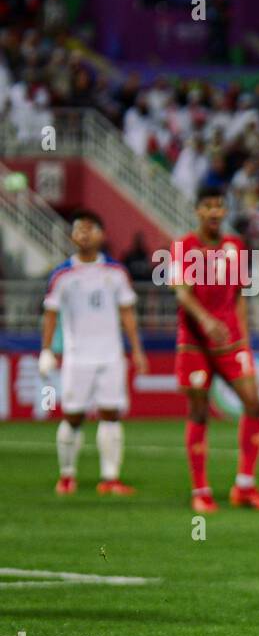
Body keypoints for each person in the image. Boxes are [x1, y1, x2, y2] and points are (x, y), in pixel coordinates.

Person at [170, 185, 259, 513]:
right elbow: (182, 293)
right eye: (208, 206)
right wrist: (206, 321)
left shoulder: (236, 246)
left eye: (220, 205)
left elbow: (240, 296)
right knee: (199, 412)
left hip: (231, 343)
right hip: (195, 343)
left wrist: (243, 339)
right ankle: (200, 490)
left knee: (254, 405)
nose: (215, 212)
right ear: (198, 211)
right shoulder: (184, 246)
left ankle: (245, 486)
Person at [38, 209, 148, 495]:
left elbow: (127, 313)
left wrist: (136, 349)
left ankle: (110, 478)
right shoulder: (62, 275)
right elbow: (51, 314)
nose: (84, 234)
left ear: (101, 234)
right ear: (72, 235)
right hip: (78, 356)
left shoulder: (116, 272)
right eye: (78, 229)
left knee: (111, 415)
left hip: (111, 356)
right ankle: (67, 474)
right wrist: (46, 350)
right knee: (73, 416)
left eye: (90, 229)